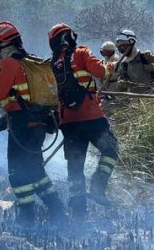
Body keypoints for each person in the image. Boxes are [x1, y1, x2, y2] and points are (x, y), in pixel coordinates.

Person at [0, 21, 66, 227]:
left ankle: (26, 218)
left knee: (17, 173)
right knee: (35, 170)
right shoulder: (29, 61)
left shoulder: (10, 63)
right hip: (37, 124)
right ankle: (57, 211)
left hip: (22, 126)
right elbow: (21, 97)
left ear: (2, 43)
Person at [48, 23, 119, 221]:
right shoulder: (81, 53)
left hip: (68, 122)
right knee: (111, 150)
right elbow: (101, 72)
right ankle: (97, 187)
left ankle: (79, 212)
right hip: (92, 118)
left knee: (75, 166)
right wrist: (112, 66)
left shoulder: (51, 64)